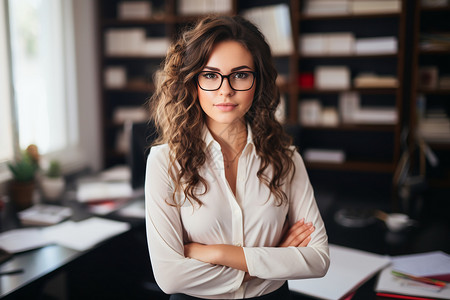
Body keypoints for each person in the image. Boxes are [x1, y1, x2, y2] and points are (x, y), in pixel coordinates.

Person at [145, 15, 330, 300]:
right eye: (210, 75)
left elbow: (318, 260)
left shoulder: (286, 160)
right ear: (193, 82)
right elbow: (170, 277)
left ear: (258, 82)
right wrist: (273, 260)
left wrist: (218, 253)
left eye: (240, 75)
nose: (225, 90)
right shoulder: (164, 162)